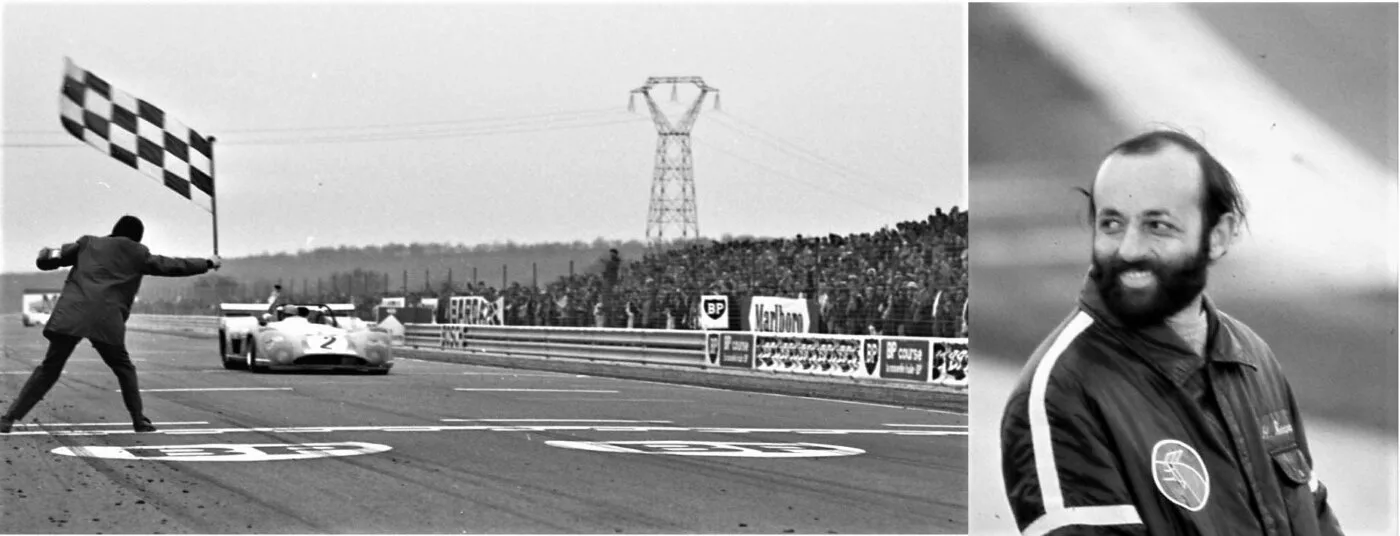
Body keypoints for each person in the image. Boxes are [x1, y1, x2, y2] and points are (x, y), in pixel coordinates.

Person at [999, 131, 1342, 535]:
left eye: (1156, 226)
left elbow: (1313, 516)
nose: (1128, 249)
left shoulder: (1253, 358)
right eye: (1111, 224)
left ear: (1218, 236)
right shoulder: (1062, 390)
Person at [1, 215, 221, 433]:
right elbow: (174, 266)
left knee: (49, 368)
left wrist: (45, 253)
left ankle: (9, 418)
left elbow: (50, 258)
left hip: (72, 315)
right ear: (137, 237)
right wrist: (208, 263)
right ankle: (139, 420)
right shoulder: (138, 253)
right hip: (106, 321)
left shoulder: (87, 243)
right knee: (124, 368)